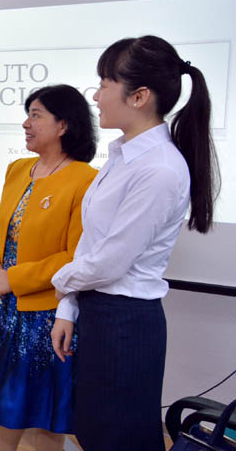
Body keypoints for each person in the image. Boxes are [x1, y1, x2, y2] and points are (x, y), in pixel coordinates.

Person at [50, 36, 219, 451]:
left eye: (106, 83)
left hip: (125, 325)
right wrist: (68, 307)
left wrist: (58, 280)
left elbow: (109, 262)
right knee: (94, 434)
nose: (97, 95)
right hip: (100, 315)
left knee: (120, 438)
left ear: (140, 96)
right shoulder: (124, 156)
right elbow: (94, 244)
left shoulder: (160, 168)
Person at [0, 85, 98, 451]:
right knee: (6, 397)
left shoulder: (85, 180)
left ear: (63, 125)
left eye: (36, 115)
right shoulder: (18, 169)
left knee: (43, 406)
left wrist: (15, 279)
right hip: (3, 305)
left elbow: (75, 255)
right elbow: (0, 228)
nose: (26, 123)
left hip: (46, 314)